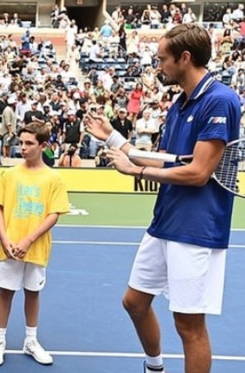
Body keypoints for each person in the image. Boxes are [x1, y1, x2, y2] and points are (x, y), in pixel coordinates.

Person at [84, 23, 241, 373]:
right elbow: (169, 159)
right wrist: (114, 139)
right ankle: (155, 367)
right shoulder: (180, 104)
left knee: (189, 326)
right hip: (165, 220)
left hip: (197, 228)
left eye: (162, 59)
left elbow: (198, 173)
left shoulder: (220, 100)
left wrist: (134, 171)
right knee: (134, 302)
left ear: (185, 58)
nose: (159, 66)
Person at [0, 123, 70, 367]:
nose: (23, 147)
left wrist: (28, 240)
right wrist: (5, 238)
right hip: (10, 246)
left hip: (36, 248)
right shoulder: (9, 175)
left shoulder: (54, 178)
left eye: (29, 143)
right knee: (6, 291)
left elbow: (54, 214)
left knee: (33, 292)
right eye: (21, 143)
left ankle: (30, 340)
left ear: (43, 146)